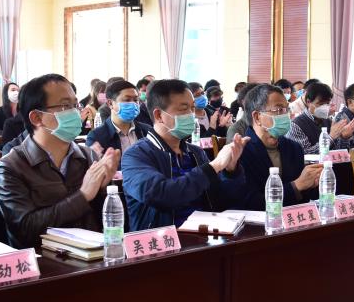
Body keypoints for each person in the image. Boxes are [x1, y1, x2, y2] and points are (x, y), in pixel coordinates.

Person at [0, 74, 119, 249]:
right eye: (65, 106)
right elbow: (25, 229)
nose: (75, 113)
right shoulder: (10, 167)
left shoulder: (88, 156)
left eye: (75, 105)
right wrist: (83, 196)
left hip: (92, 257)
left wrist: (104, 189)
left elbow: (108, 224)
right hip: (43, 261)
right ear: (37, 118)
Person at [121, 78, 248, 231]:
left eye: (192, 108)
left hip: (203, 236)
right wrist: (214, 166)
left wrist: (230, 172)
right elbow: (163, 195)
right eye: (183, 109)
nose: (191, 115)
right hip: (162, 241)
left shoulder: (196, 152)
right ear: (159, 115)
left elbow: (223, 200)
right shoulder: (135, 156)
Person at [235, 84, 323, 209]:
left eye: (287, 110)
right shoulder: (241, 152)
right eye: (279, 110)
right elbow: (250, 203)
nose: (286, 115)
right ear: (257, 117)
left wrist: (314, 182)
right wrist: (296, 186)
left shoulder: (294, 148)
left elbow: (304, 196)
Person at [85, 79, 153, 156]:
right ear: (110, 103)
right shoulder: (97, 137)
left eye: (135, 100)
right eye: (127, 100)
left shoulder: (147, 131)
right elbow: (95, 162)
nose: (133, 104)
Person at [286, 82, 354, 154]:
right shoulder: (296, 125)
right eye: (321, 103)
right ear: (308, 102)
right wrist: (330, 138)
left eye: (327, 103)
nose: (325, 107)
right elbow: (304, 153)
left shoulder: (329, 121)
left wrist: (344, 138)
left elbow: (338, 152)